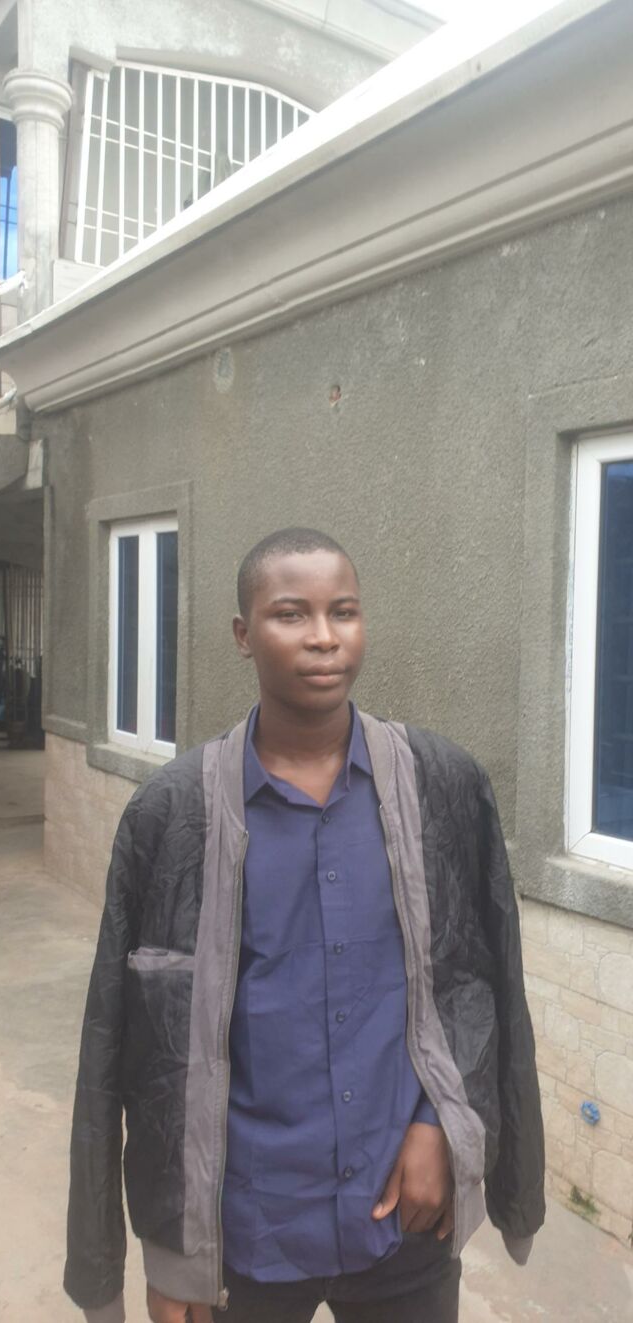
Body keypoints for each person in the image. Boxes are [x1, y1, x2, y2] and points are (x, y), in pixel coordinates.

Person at [65, 528, 545, 1323]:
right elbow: (130, 1049)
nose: (324, 636)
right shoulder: (173, 815)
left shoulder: (441, 785)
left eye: (343, 611)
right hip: (242, 1234)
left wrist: (441, 1122)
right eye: (292, 613)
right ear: (243, 633)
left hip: (403, 1220)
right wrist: (172, 1254)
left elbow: (472, 977)